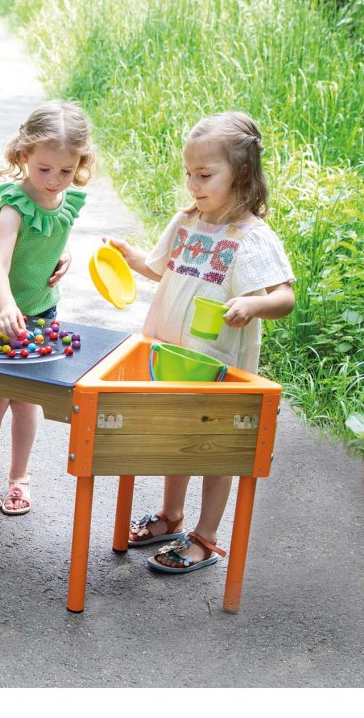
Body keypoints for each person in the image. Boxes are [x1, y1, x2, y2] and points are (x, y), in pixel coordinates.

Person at [109, 111, 295, 573]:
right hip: (172, 355)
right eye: (188, 173)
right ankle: (171, 515)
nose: (193, 185)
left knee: (214, 448)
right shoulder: (187, 221)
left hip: (219, 363)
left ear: (242, 174)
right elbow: (161, 269)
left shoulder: (251, 236)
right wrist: (131, 258)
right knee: (179, 438)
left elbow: (285, 297)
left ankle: (205, 537)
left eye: (205, 175)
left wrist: (252, 305)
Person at [0, 100, 96, 514]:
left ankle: (19, 477)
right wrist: (6, 306)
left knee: (27, 401)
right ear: (24, 156)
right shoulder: (14, 207)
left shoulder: (65, 202)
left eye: (66, 171)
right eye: (44, 169)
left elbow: (50, 239)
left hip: (40, 311)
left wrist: (64, 256)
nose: (55, 180)